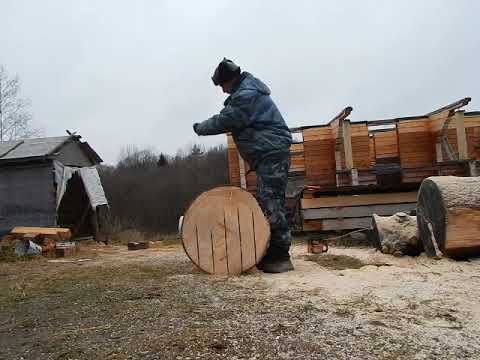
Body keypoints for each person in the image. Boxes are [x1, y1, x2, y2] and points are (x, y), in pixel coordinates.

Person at [193, 58, 293, 273]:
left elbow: (225, 120)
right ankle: (271, 251)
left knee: (271, 203)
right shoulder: (247, 92)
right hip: (269, 153)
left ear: (230, 80)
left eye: (222, 85)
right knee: (268, 201)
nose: (222, 90)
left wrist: (199, 128)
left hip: (271, 153)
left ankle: (279, 256)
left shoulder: (245, 96)